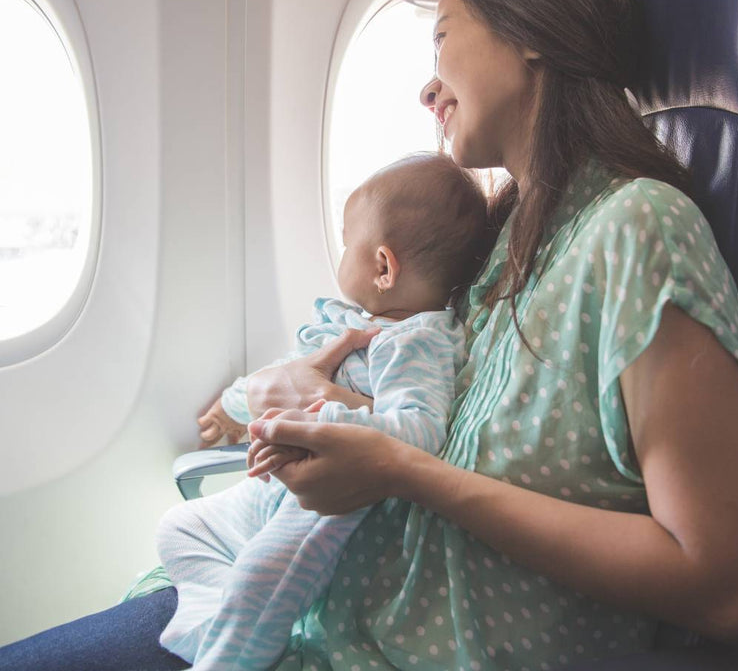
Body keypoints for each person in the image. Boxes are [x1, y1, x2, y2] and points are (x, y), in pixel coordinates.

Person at [0, 0, 738, 671]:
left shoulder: (639, 230)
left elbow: (729, 588)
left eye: (442, 35)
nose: (427, 86)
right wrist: (331, 404)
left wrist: (401, 472)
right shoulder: (506, 242)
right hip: (317, 621)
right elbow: (447, 423)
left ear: (531, 31)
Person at [153, 152, 491, 670]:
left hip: (329, 503)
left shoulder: (417, 341)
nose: (340, 254)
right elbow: (292, 371)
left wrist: (330, 415)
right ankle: (223, 622)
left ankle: (230, 652)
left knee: (258, 580)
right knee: (179, 527)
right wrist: (231, 406)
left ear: (382, 266)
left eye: (346, 242)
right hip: (275, 487)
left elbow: (420, 431)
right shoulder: (354, 321)